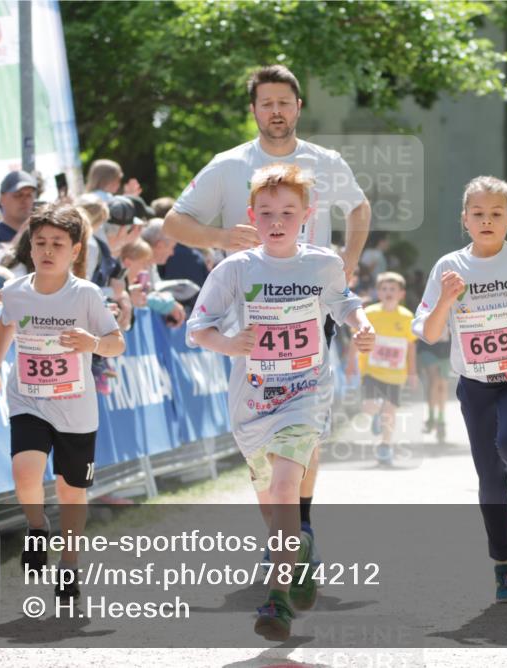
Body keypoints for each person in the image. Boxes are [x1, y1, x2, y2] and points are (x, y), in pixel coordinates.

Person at [165, 65, 372, 550]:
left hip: (310, 307)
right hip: (246, 314)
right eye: (266, 103)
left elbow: (359, 208)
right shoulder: (230, 164)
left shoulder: (325, 161)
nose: (275, 111)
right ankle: (285, 533)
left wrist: (349, 262)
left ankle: (300, 531)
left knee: (306, 424)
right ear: (254, 110)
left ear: (298, 107)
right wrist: (220, 236)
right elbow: (174, 222)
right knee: (261, 439)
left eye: (284, 102)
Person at [187, 163, 374, 640]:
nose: (276, 221)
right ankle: (301, 551)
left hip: (305, 393)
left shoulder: (322, 263)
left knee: (288, 487)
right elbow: (198, 328)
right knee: (272, 504)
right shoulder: (235, 269)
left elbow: (343, 300)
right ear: (251, 214)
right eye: (266, 212)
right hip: (252, 401)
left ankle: (277, 599)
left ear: (306, 217)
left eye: (287, 212)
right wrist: (230, 344)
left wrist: (361, 323)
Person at [412, 176, 507, 604]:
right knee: (487, 478)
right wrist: (445, 300)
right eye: (478, 214)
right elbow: (427, 332)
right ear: (465, 220)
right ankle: (505, 567)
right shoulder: (449, 267)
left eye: (496, 214)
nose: (487, 220)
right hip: (476, 384)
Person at [0, 203, 125, 603]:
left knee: (70, 490)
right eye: (39, 242)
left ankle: (70, 564)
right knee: (25, 471)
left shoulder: (86, 295)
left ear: (75, 250)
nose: (46, 250)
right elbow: (6, 322)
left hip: (75, 407)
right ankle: (37, 527)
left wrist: (93, 344)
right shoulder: (16, 291)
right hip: (29, 398)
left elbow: (117, 343)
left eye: (57, 243)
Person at [352, 271, 417, 466]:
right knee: (369, 406)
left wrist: (412, 372)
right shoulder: (369, 313)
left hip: (396, 374)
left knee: (390, 411)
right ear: (378, 292)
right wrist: (350, 364)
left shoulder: (406, 317)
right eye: (385, 289)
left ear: (401, 294)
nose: (389, 292)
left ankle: (385, 446)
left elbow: (411, 345)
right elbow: (356, 338)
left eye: (393, 289)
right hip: (371, 371)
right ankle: (376, 415)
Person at [0, 170, 38, 244]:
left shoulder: (40, 234)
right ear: (2, 198)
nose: (25, 200)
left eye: (29, 195)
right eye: (18, 195)